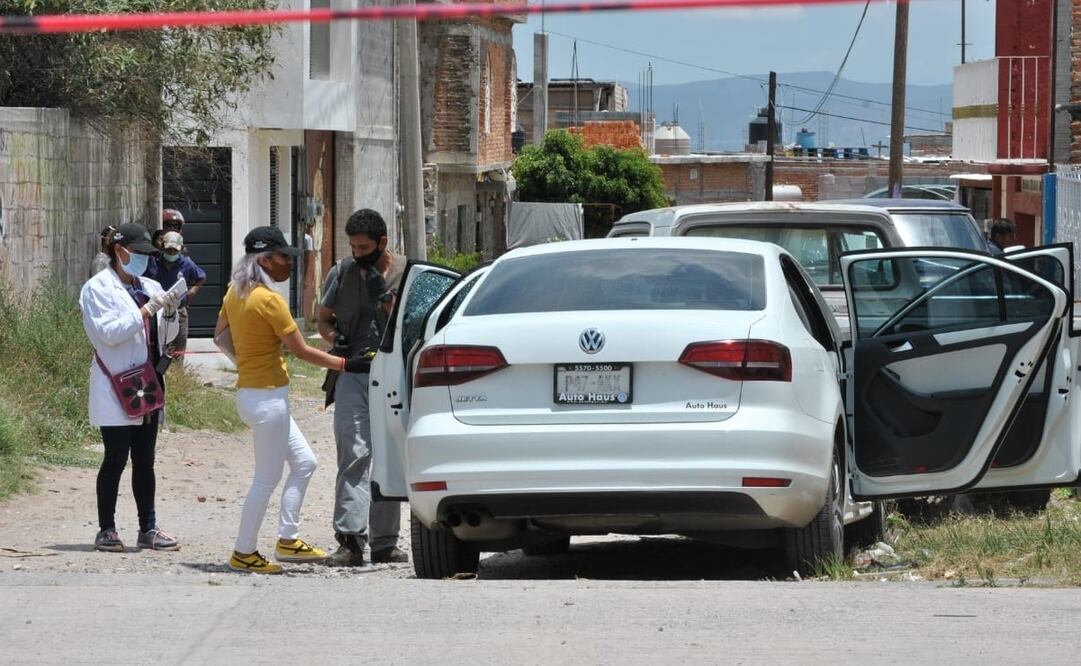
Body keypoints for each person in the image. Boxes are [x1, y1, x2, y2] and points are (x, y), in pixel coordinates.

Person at [216, 225, 373, 575]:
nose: (289, 264)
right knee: (266, 479)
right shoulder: (269, 300)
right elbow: (301, 350)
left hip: (254, 395)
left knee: (305, 462)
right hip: (269, 400)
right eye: (284, 258)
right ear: (266, 259)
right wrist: (347, 364)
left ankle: (288, 538)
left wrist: (246, 364)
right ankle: (244, 551)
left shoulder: (235, 293)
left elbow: (219, 337)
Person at [79, 222, 183, 553]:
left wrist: (168, 312)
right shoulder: (97, 289)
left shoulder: (149, 284)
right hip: (116, 385)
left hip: (148, 383)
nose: (144, 261)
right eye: (138, 254)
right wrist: (145, 311)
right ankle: (106, 529)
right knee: (115, 457)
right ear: (120, 251)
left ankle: (148, 528)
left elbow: (165, 331)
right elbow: (107, 334)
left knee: (145, 459)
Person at [317, 209, 408, 567]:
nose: (357, 253)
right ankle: (350, 541)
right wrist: (334, 338)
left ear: (382, 243)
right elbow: (323, 319)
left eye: (364, 246)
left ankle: (385, 544)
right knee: (354, 454)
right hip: (352, 374)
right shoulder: (341, 272)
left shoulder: (406, 272)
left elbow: (418, 320)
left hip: (392, 377)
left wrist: (386, 299)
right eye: (353, 246)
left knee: (387, 456)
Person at [146, 231, 206, 358]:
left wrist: (193, 291)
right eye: (169, 250)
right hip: (157, 311)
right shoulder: (152, 262)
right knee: (157, 348)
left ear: (181, 248)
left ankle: (178, 374)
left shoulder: (187, 264)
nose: (172, 253)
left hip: (179, 311)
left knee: (177, 350)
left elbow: (201, 277)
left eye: (175, 250)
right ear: (162, 247)